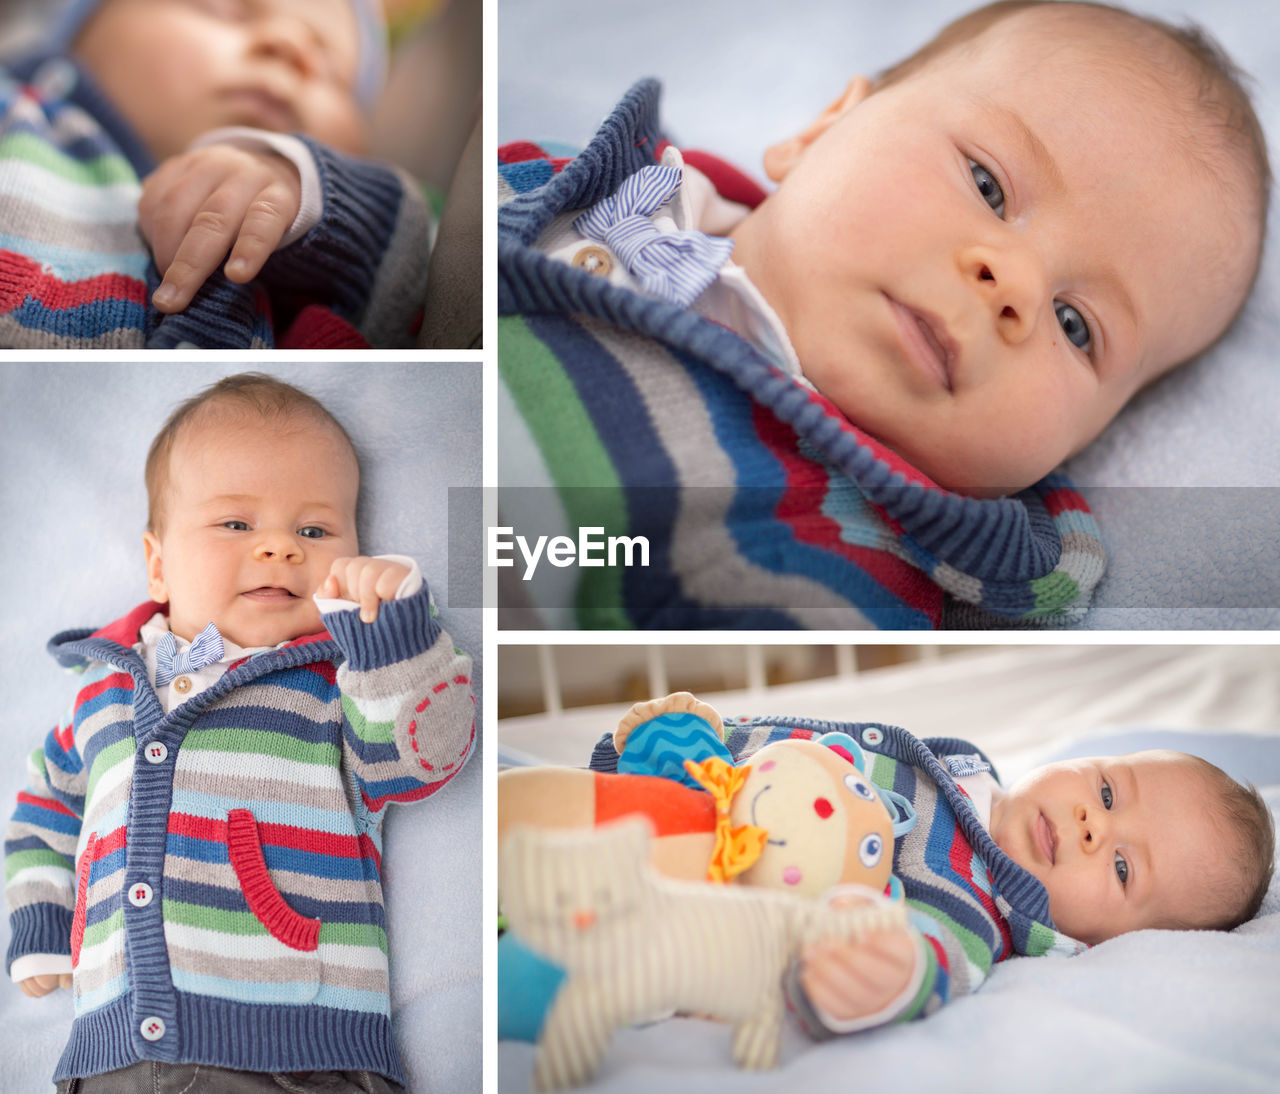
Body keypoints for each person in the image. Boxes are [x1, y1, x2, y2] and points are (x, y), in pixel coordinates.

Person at [496, 0, 1271, 628]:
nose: (1016, 288)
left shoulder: (832, 555)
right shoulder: (583, 186)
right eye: (988, 185)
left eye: (1077, 327)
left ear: (1086, 440)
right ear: (821, 129)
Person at [4, 374, 477, 1092]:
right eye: (237, 525)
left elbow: (426, 756)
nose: (280, 548)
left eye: (313, 531)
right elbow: (42, 808)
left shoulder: (333, 682)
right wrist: (41, 921)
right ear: (158, 564)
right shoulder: (101, 693)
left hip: (304, 1049)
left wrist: (393, 637)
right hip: (109, 1055)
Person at [498, 695, 1275, 1038]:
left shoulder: (976, 916)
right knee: (518, 799)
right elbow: (800, 751)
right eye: (1107, 790)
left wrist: (884, 976)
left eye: (1122, 868)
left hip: (690, 896)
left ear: (1106, 943)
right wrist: (711, 731)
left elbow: (928, 963)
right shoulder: (959, 768)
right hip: (683, 792)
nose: (1089, 824)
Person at [0, 0, 431, 348]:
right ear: (79, 35)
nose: (289, 47)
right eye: (224, 9)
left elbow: (402, 274)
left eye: (332, 70)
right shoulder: (18, 113)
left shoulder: (294, 274)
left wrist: (309, 189)